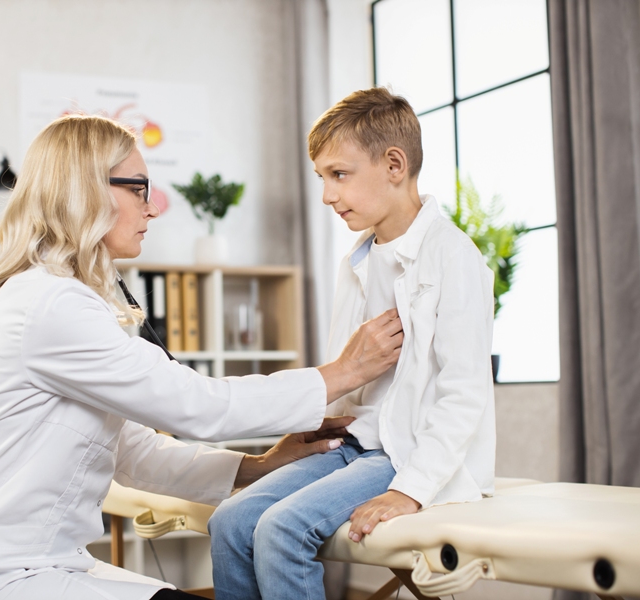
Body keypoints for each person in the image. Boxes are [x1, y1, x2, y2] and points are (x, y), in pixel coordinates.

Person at [0, 114, 404, 600]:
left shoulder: (64, 298)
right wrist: (344, 372)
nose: (153, 208)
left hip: (32, 561)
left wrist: (258, 465)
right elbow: (197, 404)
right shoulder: (49, 304)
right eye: (138, 188)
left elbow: (130, 449)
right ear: (85, 191)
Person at [208, 88, 496, 600]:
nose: (327, 195)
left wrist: (409, 490)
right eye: (322, 178)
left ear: (393, 164)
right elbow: (350, 373)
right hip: (352, 446)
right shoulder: (357, 261)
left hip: (402, 455)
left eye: (338, 175)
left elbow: (464, 393)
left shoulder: (453, 257)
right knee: (230, 522)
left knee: (281, 530)